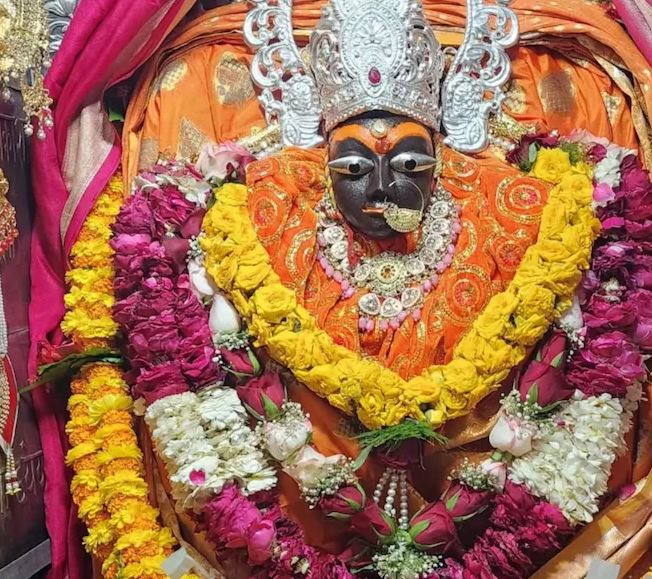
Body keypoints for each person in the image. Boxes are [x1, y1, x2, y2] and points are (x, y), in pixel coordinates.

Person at [112, 0, 652, 576]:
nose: (382, 188)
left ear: (442, 160)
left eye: (411, 163)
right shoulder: (264, 219)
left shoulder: (517, 218)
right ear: (320, 165)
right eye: (352, 168)